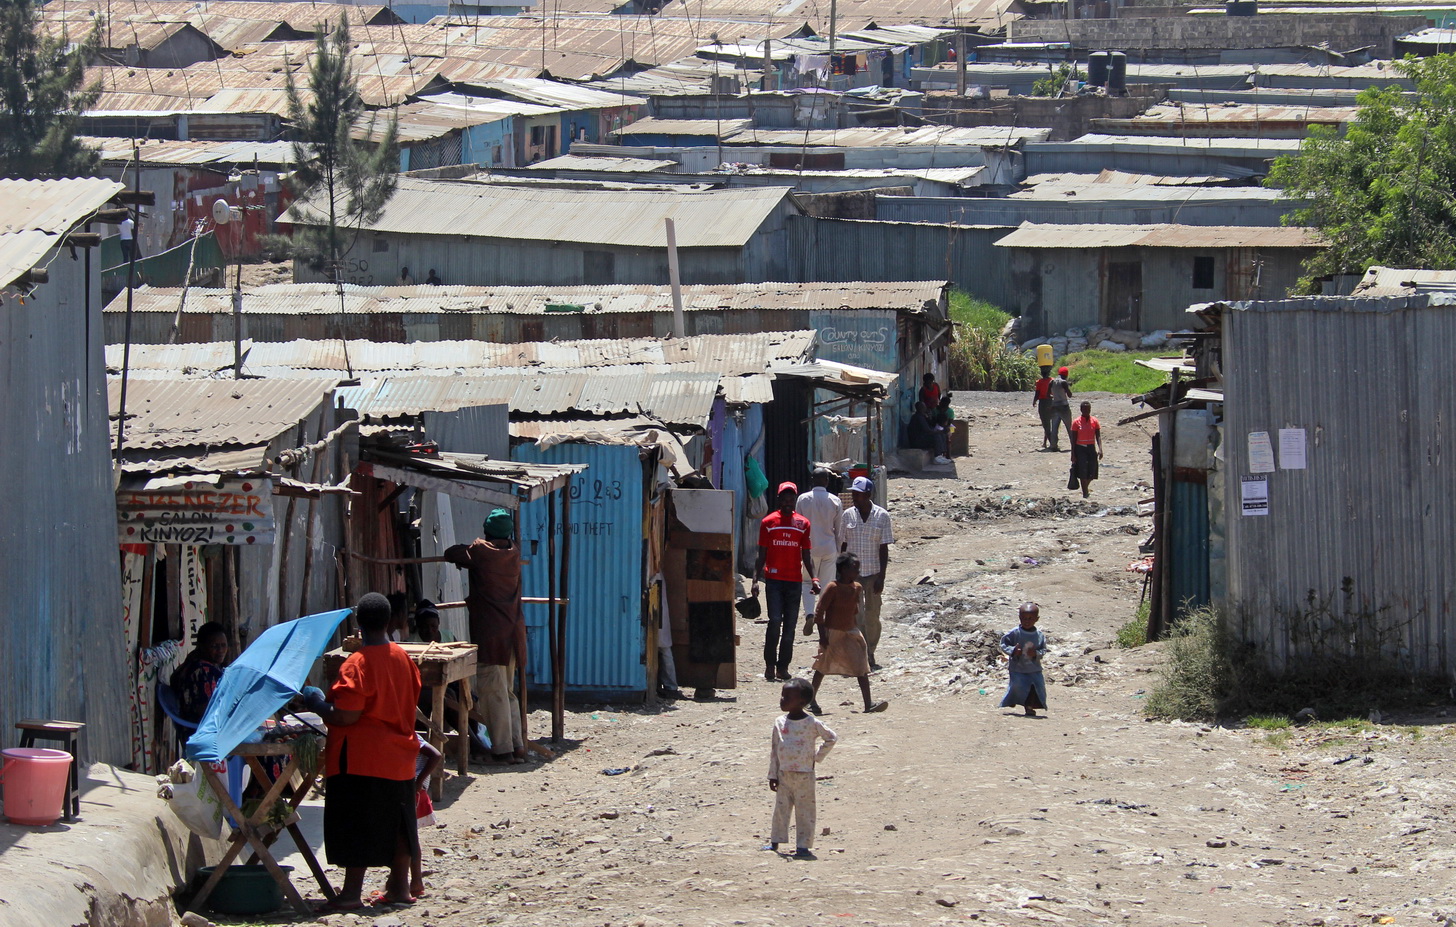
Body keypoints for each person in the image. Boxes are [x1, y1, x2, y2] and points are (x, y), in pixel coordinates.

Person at [301, 592, 423, 910]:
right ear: (389, 622)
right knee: (398, 825)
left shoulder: (356, 665)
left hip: (361, 758)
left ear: (358, 626)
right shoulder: (403, 658)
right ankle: (400, 888)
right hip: (400, 757)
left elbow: (345, 716)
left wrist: (316, 703)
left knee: (357, 822)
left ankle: (351, 894)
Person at [445, 508, 528, 764]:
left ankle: (502, 750)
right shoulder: (513, 551)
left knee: (493, 692)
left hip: (491, 633)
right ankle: (517, 746)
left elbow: (452, 553)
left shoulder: (482, 551)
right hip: (513, 633)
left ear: (487, 531)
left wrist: (471, 550)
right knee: (507, 691)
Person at [752, 482, 820, 682]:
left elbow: (806, 556)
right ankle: (770, 666)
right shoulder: (768, 522)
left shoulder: (803, 524)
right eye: (785, 499)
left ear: (795, 501)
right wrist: (755, 580)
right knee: (774, 622)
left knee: (789, 627)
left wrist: (814, 578)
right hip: (773, 581)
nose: (788, 503)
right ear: (779, 500)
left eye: (792, 500)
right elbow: (761, 554)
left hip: (794, 582)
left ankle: (783, 667)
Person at [805, 553, 887, 715]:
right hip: (833, 632)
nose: (857, 571)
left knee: (861, 665)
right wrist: (823, 637)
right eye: (854, 568)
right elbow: (819, 613)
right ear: (843, 569)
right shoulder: (832, 588)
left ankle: (868, 703)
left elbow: (855, 611)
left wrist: (856, 631)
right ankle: (810, 700)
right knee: (823, 666)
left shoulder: (857, 588)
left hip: (850, 632)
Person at [763, 678, 837, 859]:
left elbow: (831, 738)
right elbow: (775, 749)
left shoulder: (811, 722)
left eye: (788, 697)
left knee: (805, 811)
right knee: (781, 810)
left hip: (805, 775)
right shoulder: (779, 722)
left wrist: (817, 758)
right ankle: (775, 841)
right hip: (783, 775)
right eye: (782, 695)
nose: (782, 699)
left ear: (802, 702)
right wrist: (773, 775)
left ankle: (803, 846)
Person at [840, 476, 894, 668]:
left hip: (873, 574)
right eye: (853, 493)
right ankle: (861, 654)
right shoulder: (847, 515)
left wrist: (882, 577)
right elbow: (843, 546)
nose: (854, 497)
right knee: (856, 616)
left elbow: (884, 548)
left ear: (868, 494)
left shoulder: (882, 516)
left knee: (872, 616)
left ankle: (870, 650)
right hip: (853, 576)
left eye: (858, 494)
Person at [795, 469, 842, 629]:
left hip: (808, 550)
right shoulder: (835, 501)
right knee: (827, 584)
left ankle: (809, 612)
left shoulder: (802, 499)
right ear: (827, 481)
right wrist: (838, 551)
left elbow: (798, 525)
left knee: (807, 582)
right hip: (829, 548)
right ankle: (822, 619)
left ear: (812, 480)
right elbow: (839, 530)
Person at [170, 622, 229, 724]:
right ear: (202, 646)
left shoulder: (194, 660)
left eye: (223, 645)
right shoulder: (202, 671)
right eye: (214, 646)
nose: (221, 650)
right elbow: (207, 711)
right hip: (201, 728)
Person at [999, 602, 1048, 717]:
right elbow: (1004, 643)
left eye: (1030, 618)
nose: (1027, 621)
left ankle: (1029, 707)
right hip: (1018, 668)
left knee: (1035, 688)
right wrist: (1013, 650)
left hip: (1034, 669)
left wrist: (1035, 653)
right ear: (1020, 618)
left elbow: (1043, 650)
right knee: (1017, 686)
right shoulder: (1015, 633)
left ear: (1037, 619)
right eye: (1024, 618)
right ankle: (1013, 700)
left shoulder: (1039, 635)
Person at [410, 735, 444, 899]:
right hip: (412, 788)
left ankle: (415, 882)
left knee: (407, 837)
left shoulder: (410, 734)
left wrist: (418, 782)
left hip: (412, 789)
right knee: (407, 836)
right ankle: (409, 882)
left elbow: (436, 754)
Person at [1069, 400, 1104, 499]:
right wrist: (1073, 454)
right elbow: (1073, 440)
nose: (1086, 410)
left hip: (1091, 448)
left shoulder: (1094, 421)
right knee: (1082, 471)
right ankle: (1085, 492)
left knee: (1093, 471)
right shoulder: (1076, 422)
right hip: (1080, 448)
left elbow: (1098, 436)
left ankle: (1085, 487)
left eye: (1088, 409)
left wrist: (1100, 449)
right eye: (1084, 409)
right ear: (1081, 410)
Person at [1047, 366, 1074, 451]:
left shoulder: (1051, 382)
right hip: (1064, 406)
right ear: (1066, 374)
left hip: (1055, 406)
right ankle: (1073, 444)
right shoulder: (1063, 382)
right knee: (1069, 427)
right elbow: (1069, 395)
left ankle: (1053, 445)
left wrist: (1055, 396)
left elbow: (1048, 394)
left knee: (1054, 427)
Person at [1032, 367, 1054, 450]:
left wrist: (1034, 401)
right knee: (1048, 423)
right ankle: (1045, 442)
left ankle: (1052, 443)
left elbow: (1037, 393)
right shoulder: (1052, 380)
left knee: (1046, 424)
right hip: (1051, 401)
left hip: (1043, 403)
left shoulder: (1039, 382)